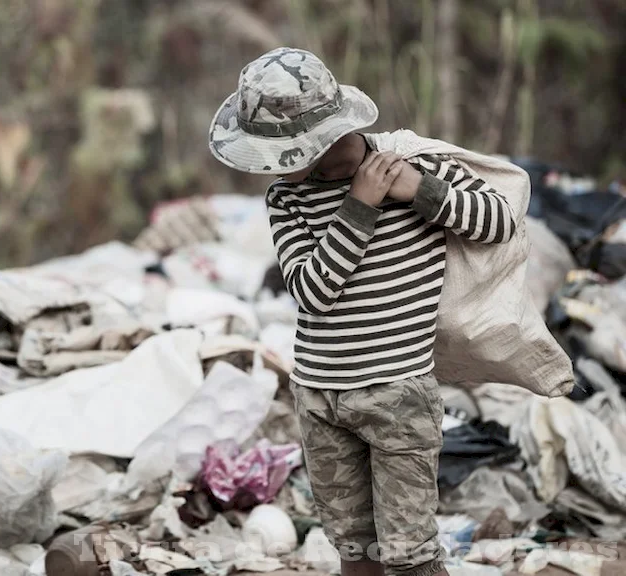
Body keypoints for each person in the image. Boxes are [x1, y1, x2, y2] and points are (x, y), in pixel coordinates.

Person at [209, 47, 517, 576]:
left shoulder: (413, 168)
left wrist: (418, 190)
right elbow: (312, 291)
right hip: (320, 394)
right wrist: (359, 206)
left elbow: (500, 223)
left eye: (280, 150)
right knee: (355, 547)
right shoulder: (288, 198)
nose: (273, 166)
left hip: (398, 395)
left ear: (320, 138)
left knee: (410, 554)